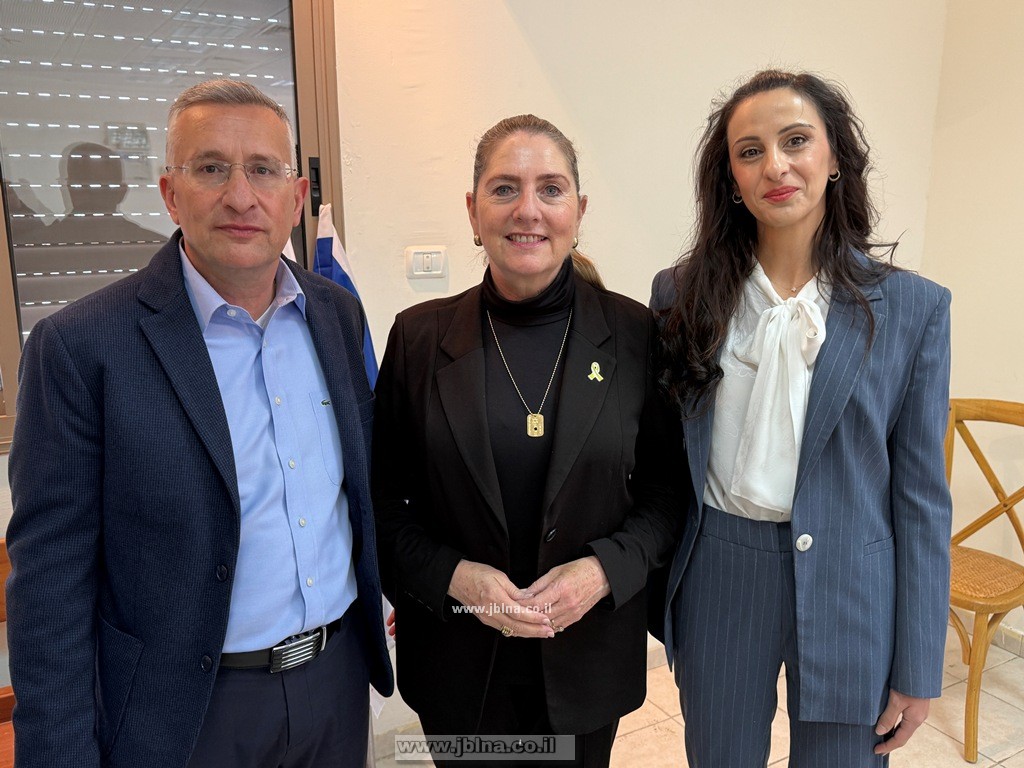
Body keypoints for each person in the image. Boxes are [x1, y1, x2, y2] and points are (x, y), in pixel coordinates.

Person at [6, 79, 393, 768]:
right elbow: (50, 585)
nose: (241, 196)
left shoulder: (336, 314)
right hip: (184, 712)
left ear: (296, 196)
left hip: (336, 683)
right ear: (170, 193)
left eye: (263, 170)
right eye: (211, 168)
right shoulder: (81, 347)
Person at [651, 69, 952, 767]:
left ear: (834, 156)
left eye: (795, 141)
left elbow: (921, 498)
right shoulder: (680, 295)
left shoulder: (914, 309)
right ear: (730, 178)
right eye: (749, 151)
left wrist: (918, 663)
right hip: (721, 570)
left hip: (853, 580)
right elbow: (664, 456)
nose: (775, 166)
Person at [372, 114, 682, 767]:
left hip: (586, 661)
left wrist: (602, 571)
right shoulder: (418, 339)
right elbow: (381, 506)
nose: (528, 210)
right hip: (458, 662)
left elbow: (667, 495)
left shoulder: (634, 334)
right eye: (505, 188)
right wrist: (454, 578)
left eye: (551, 188)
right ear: (473, 210)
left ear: (579, 211)